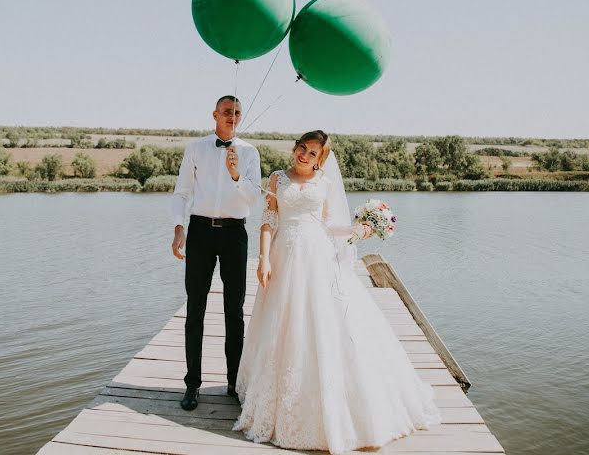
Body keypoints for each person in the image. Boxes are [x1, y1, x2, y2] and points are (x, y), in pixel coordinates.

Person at [233, 130, 441, 453]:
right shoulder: (276, 179)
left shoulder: (324, 186)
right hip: (283, 257)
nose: (304, 155)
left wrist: (357, 229)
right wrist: (262, 258)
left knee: (324, 324)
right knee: (283, 324)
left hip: (317, 258)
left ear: (320, 161)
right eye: (302, 148)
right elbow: (268, 221)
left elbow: (327, 225)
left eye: (312, 153)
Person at [171, 95, 261, 411]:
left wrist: (236, 175)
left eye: (237, 112)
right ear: (215, 114)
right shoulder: (195, 148)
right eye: (226, 112)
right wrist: (179, 226)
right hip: (199, 232)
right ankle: (192, 385)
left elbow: (253, 198)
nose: (232, 116)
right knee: (195, 308)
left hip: (235, 234)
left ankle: (234, 384)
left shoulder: (250, 152)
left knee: (234, 312)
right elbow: (182, 191)